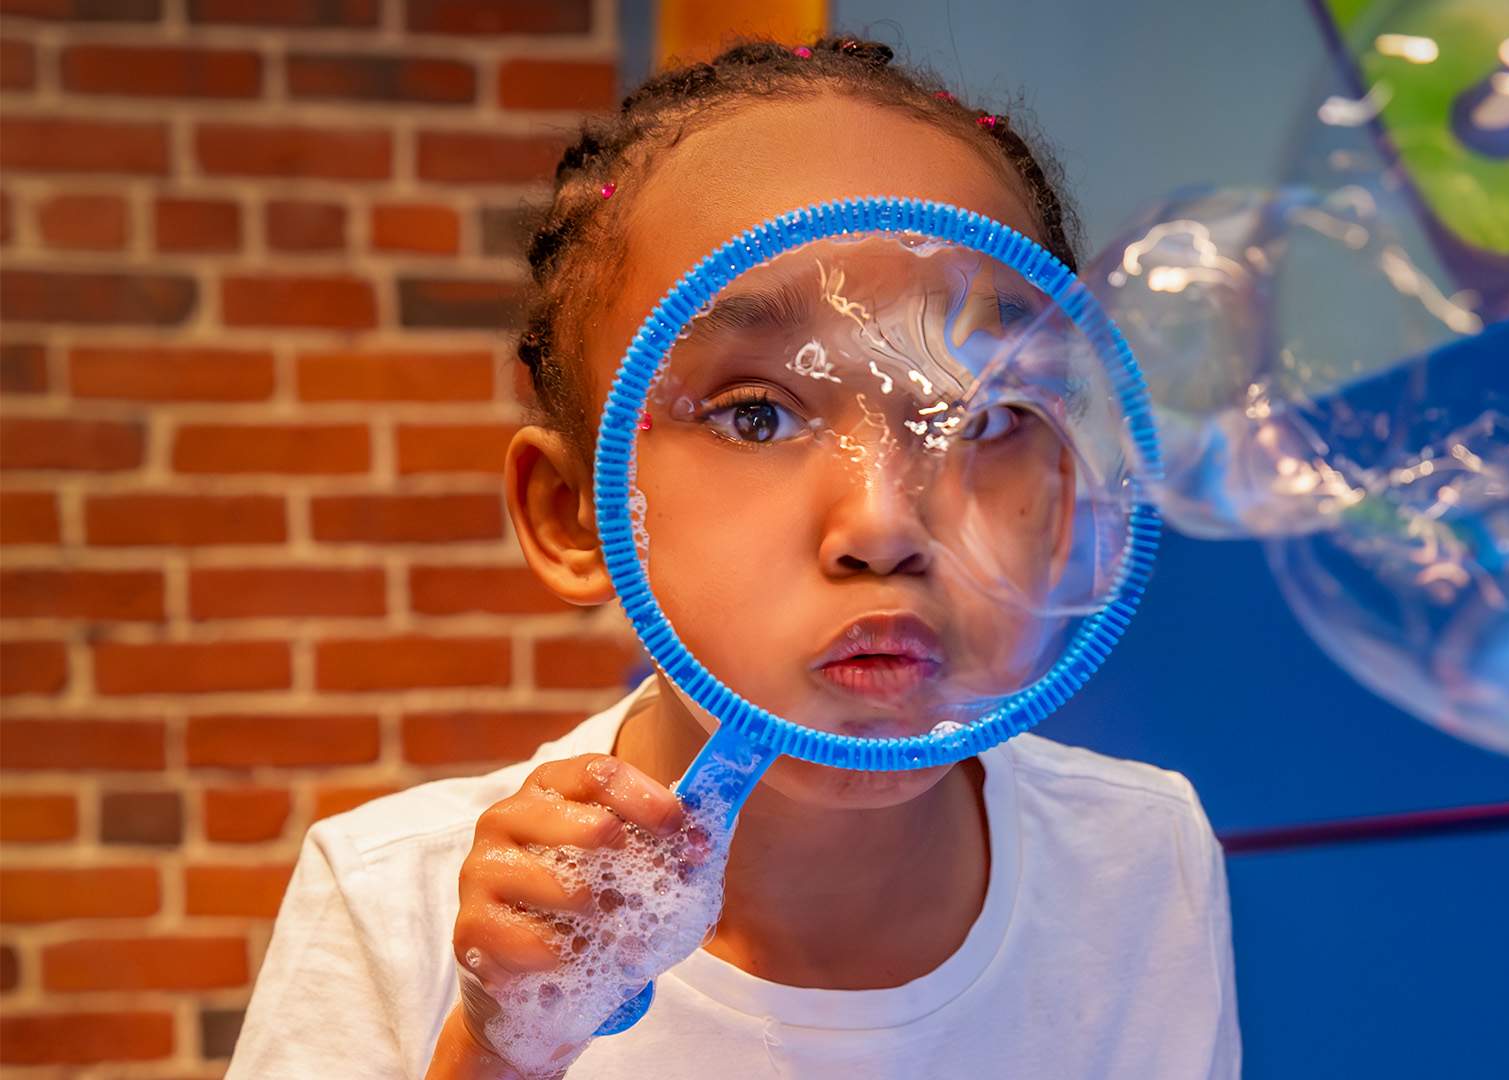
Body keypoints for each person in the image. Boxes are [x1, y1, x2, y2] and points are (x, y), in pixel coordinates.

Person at [229, 36, 1240, 1080]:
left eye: (982, 415)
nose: (885, 523)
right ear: (576, 515)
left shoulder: (1143, 858)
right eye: (755, 415)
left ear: (1068, 492)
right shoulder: (394, 899)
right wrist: (499, 1051)